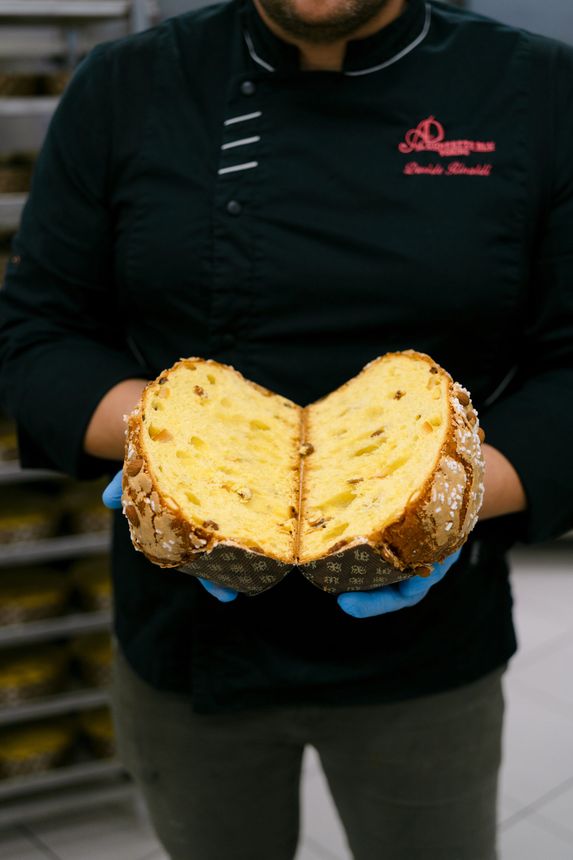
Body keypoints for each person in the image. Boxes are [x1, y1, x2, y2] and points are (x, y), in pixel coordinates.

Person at [0, 0, 572, 856]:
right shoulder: (124, 85)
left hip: (426, 645)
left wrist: (445, 496)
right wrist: (174, 456)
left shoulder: (539, 89)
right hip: (186, 633)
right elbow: (37, 332)